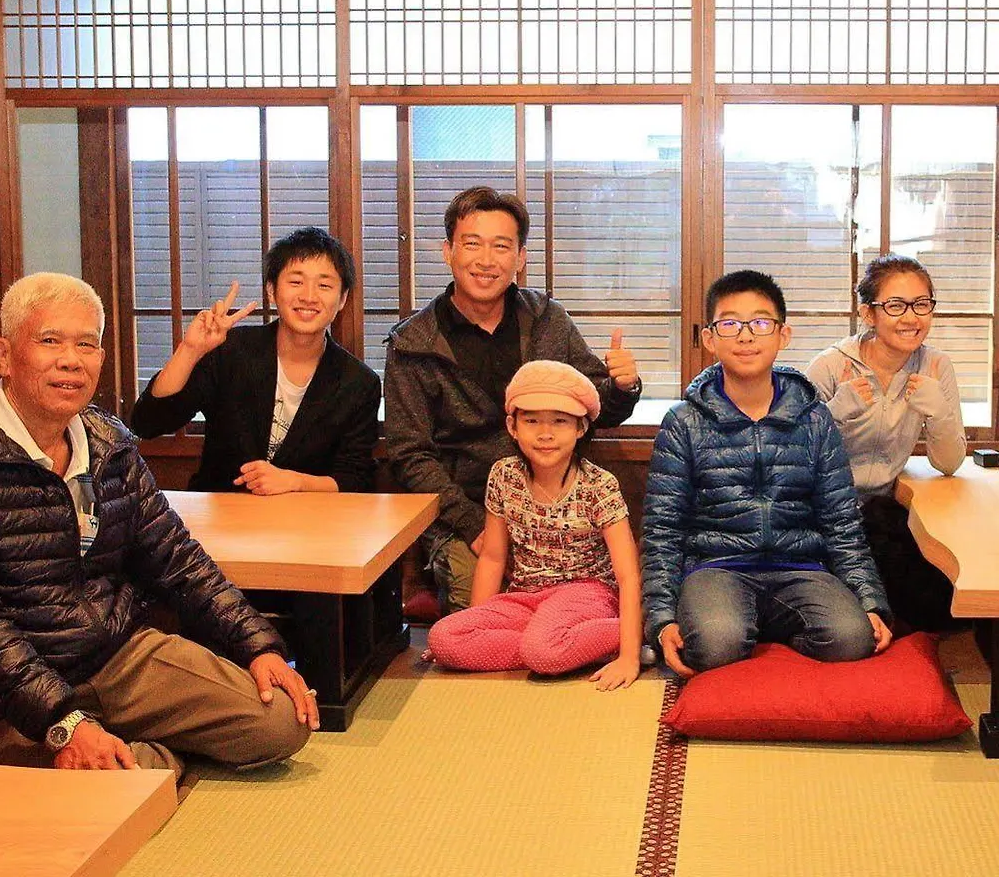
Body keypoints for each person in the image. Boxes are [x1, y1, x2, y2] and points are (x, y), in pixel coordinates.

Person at [0, 274, 314, 778]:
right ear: (3, 355)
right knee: (119, 782)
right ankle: (139, 758)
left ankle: (137, 755)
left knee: (281, 720)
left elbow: (177, 557)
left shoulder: (107, 442)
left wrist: (257, 645)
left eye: (86, 344)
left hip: (114, 657)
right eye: (50, 341)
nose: (71, 360)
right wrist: (64, 722)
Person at [384, 186, 641, 614]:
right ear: (448, 252)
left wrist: (624, 386)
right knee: (478, 608)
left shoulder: (547, 319)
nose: (487, 260)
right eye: (472, 244)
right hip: (464, 511)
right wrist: (473, 525)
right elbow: (409, 454)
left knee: (575, 609)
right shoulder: (412, 343)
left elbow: (595, 408)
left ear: (520, 258)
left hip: (558, 506)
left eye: (501, 247)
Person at [642, 270, 892, 676]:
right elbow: (662, 529)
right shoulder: (684, 422)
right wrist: (661, 618)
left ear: (783, 334)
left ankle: (758, 629)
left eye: (760, 323)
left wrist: (869, 602)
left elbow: (842, 522)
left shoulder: (814, 419)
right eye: (730, 324)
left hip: (800, 567)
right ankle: (735, 626)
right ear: (709, 338)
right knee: (715, 644)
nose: (745, 336)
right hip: (716, 568)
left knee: (852, 638)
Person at [425, 362, 642, 688]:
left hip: (586, 594)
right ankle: (566, 644)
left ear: (581, 427)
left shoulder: (599, 485)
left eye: (560, 421)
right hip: (524, 597)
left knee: (543, 652)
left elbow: (627, 574)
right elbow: (493, 558)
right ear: (512, 426)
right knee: (443, 637)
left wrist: (629, 656)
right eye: (531, 421)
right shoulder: (504, 475)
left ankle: (629, 632)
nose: (545, 434)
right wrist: (477, 625)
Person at [129, 226, 380, 496]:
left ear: (342, 299)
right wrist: (190, 350)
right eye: (296, 282)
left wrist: (295, 482)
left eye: (324, 285)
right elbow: (149, 423)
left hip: (307, 518)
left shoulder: (359, 383)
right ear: (271, 290)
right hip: (223, 512)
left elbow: (356, 479)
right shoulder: (230, 351)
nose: (309, 296)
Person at [807, 254, 965, 632]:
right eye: (895, 305)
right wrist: (833, 414)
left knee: (946, 604)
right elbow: (792, 458)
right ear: (868, 313)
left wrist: (939, 413)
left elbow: (948, 463)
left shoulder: (936, 366)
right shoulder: (830, 366)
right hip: (821, 513)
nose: (911, 318)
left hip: (883, 511)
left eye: (921, 304)